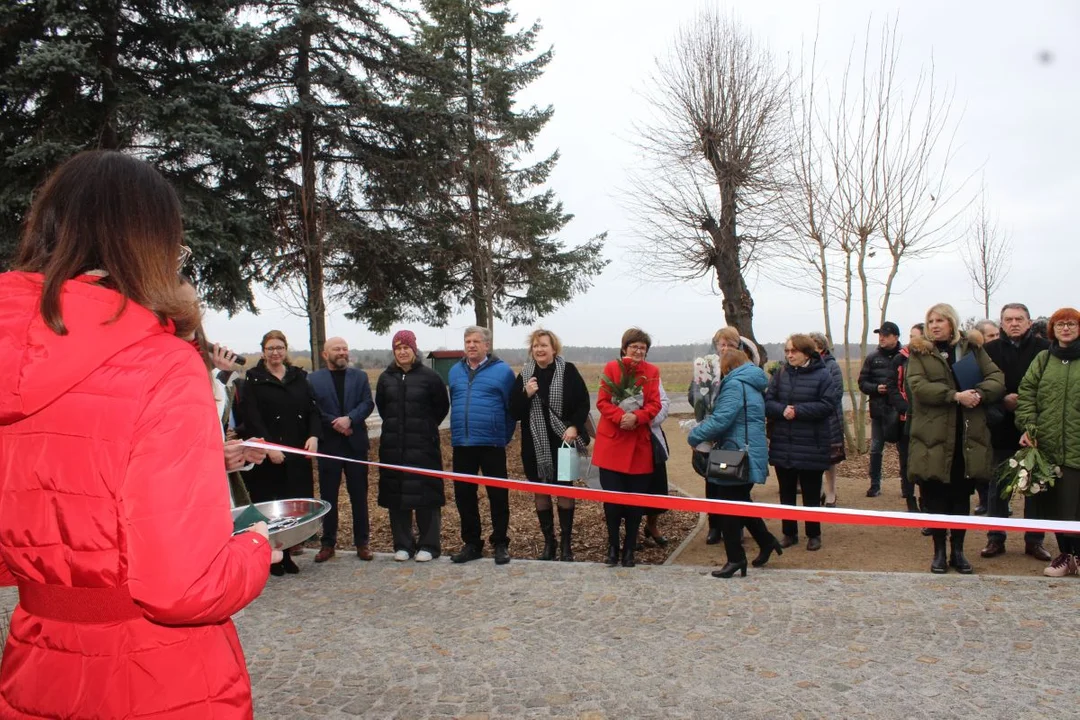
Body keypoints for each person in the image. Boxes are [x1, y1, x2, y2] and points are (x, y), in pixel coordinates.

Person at [0, 150, 276, 718]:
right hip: (155, 671)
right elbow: (181, 587)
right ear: (151, 244)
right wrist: (256, 547)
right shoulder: (163, 364)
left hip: (39, 665)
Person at [907, 303, 1004, 574]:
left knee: (961, 497)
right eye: (931, 320)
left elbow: (996, 378)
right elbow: (918, 386)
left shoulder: (972, 348)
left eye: (940, 320)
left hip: (966, 437)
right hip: (932, 437)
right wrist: (954, 396)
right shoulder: (920, 352)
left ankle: (958, 552)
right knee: (935, 496)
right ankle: (939, 552)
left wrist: (979, 394)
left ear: (952, 322)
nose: (935, 325)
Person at [688, 350, 782, 578]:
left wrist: (695, 435)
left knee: (727, 505)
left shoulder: (734, 385)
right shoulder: (751, 382)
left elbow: (722, 419)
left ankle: (735, 558)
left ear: (728, 368)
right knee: (740, 501)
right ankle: (766, 541)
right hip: (748, 450)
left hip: (735, 454)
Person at [241, 330, 321, 576]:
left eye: (279, 347)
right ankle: (271, 557)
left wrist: (314, 436)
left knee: (291, 505)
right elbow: (251, 417)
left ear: (285, 349)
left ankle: (287, 553)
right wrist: (269, 447)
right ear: (263, 351)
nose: (275, 352)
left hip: (296, 452)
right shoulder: (253, 380)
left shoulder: (298, 377)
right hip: (267, 457)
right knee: (270, 507)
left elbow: (313, 410)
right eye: (270, 348)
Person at [509, 329, 590, 561]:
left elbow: (582, 403)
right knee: (541, 491)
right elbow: (514, 411)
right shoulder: (525, 375)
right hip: (534, 445)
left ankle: (566, 544)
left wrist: (575, 426)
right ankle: (549, 543)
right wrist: (526, 394)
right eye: (535, 346)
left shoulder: (569, 371)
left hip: (564, 441)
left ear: (554, 348)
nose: (539, 350)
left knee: (564, 489)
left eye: (544, 345)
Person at [980, 304, 1051, 561]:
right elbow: (982, 385)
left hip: (1034, 428)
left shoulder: (1045, 350)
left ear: (1029, 322)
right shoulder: (989, 351)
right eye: (1008, 319)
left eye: (1019, 319)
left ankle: (1034, 540)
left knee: (1035, 487)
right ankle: (995, 538)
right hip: (1000, 427)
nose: (1014, 323)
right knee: (998, 487)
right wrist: (1002, 399)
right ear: (1001, 323)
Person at [375, 330, 451, 562]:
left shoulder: (430, 377)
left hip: (423, 446)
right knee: (397, 495)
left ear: (414, 348)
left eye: (406, 347)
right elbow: (382, 407)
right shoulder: (385, 378)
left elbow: (441, 407)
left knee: (426, 494)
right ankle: (403, 544)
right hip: (393, 447)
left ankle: (429, 545)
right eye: (398, 348)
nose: (402, 351)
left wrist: (425, 429)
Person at [1015, 307, 1080, 576]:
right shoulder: (1043, 359)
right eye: (1060, 324)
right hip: (1049, 447)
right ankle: (1066, 555)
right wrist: (1030, 426)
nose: (1066, 329)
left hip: (1077, 446)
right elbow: (1027, 392)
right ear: (1053, 329)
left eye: (1071, 324)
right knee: (1057, 506)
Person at [593, 328, 663, 568]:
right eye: (634, 346)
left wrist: (638, 417)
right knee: (612, 504)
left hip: (639, 447)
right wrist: (621, 416)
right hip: (612, 444)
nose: (638, 351)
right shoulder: (612, 368)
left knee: (635, 504)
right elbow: (602, 401)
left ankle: (630, 549)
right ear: (625, 348)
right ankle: (613, 547)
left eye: (642, 347)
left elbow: (654, 404)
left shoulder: (652, 372)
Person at [448, 326, 517, 565]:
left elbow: (512, 409)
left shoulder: (503, 372)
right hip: (463, 444)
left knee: (497, 495)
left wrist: (503, 435)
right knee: (464, 496)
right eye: (467, 341)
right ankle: (471, 543)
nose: (471, 345)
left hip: (491, 443)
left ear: (487, 345)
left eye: (476, 341)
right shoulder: (455, 371)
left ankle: (500, 542)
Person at [766, 334, 839, 551]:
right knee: (786, 492)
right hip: (783, 443)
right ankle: (789, 533)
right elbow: (768, 401)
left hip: (811, 444)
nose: (789, 355)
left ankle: (813, 533)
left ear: (806, 353)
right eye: (787, 351)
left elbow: (828, 405)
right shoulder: (779, 374)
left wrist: (798, 411)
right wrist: (782, 410)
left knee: (811, 492)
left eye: (793, 351)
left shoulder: (823, 375)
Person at [308, 337, 375, 563]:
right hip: (329, 446)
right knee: (329, 497)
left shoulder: (360, 377)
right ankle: (328, 544)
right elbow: (313, 409)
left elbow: (367, 403)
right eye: (336, 349)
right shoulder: (314, 379)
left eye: (345, 348)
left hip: (355, 445)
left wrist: (350, 419)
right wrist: (336, 423)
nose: (342, 352)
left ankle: (362, 543)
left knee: (359, 496)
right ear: (325, 354)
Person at [858, 321, 903, 498]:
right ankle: (874, 485)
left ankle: (906, 487)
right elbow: (862, 382)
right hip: (879, 411)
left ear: (896, 337)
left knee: (903, 450)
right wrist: (876, 388)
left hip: (901, 411)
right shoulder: (872, 358)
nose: (881, 338)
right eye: (880, 335)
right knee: (876, 448)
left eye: (886, 334)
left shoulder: (906, 356)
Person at [887, 323, 926, 514]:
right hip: (904, 419)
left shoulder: (931, 359)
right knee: (906, 462)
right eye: (910, 336)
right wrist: (904, 407)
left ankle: (926, 501)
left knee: (926, 462)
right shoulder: (899, 359)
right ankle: (910, 499)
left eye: (916, 337)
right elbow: (892, 386)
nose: (912, 341)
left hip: (927, 421)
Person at [809, 332, 846, 507]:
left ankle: (831, 492)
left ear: (821, 347)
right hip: (810, 420)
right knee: (813, 459)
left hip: (829, 419)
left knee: (830, 459)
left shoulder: (832, 366)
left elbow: (837, 392)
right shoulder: (805, 365)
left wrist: (819, 407)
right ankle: (818, 491)